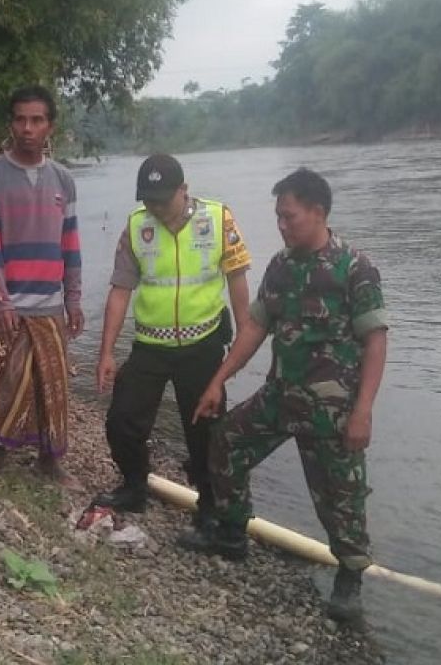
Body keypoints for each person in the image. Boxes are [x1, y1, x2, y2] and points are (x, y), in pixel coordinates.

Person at [177, 168, 389, 624]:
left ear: (318, 212)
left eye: (289, 216)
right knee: (227, 440)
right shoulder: (280, 266)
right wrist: (218, 381)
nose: (282, 224)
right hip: (281, 394)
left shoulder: (354, 267)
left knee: (341, 495)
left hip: (333, 408)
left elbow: (375, 340)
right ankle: (233, 532)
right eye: (278, 216)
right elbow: (255, 326)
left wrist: (363, 412)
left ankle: (350, 577)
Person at [94, 154, 252, 522]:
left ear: (184, 190)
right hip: (151, 344)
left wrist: (244, 341)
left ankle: (210, 507)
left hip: (203, 344)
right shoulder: (136, 227)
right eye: (149, 200)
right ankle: (134, 486)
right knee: (122, 419)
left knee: (205, 430)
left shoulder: (217, 219)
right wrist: (106, 353)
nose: (157, 208)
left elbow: (237, 279)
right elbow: (120, 291)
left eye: (164, 199)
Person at [0, 86, 83, 487]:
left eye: (36, 120)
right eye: (20, 119)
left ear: (50, 126)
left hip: (49, 303)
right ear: (11, 123)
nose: (27, 128)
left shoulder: (63, 179)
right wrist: (2, 300)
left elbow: (70, 242)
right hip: (5, 301)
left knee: (53, 386)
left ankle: (49, 459)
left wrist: (74, 297)